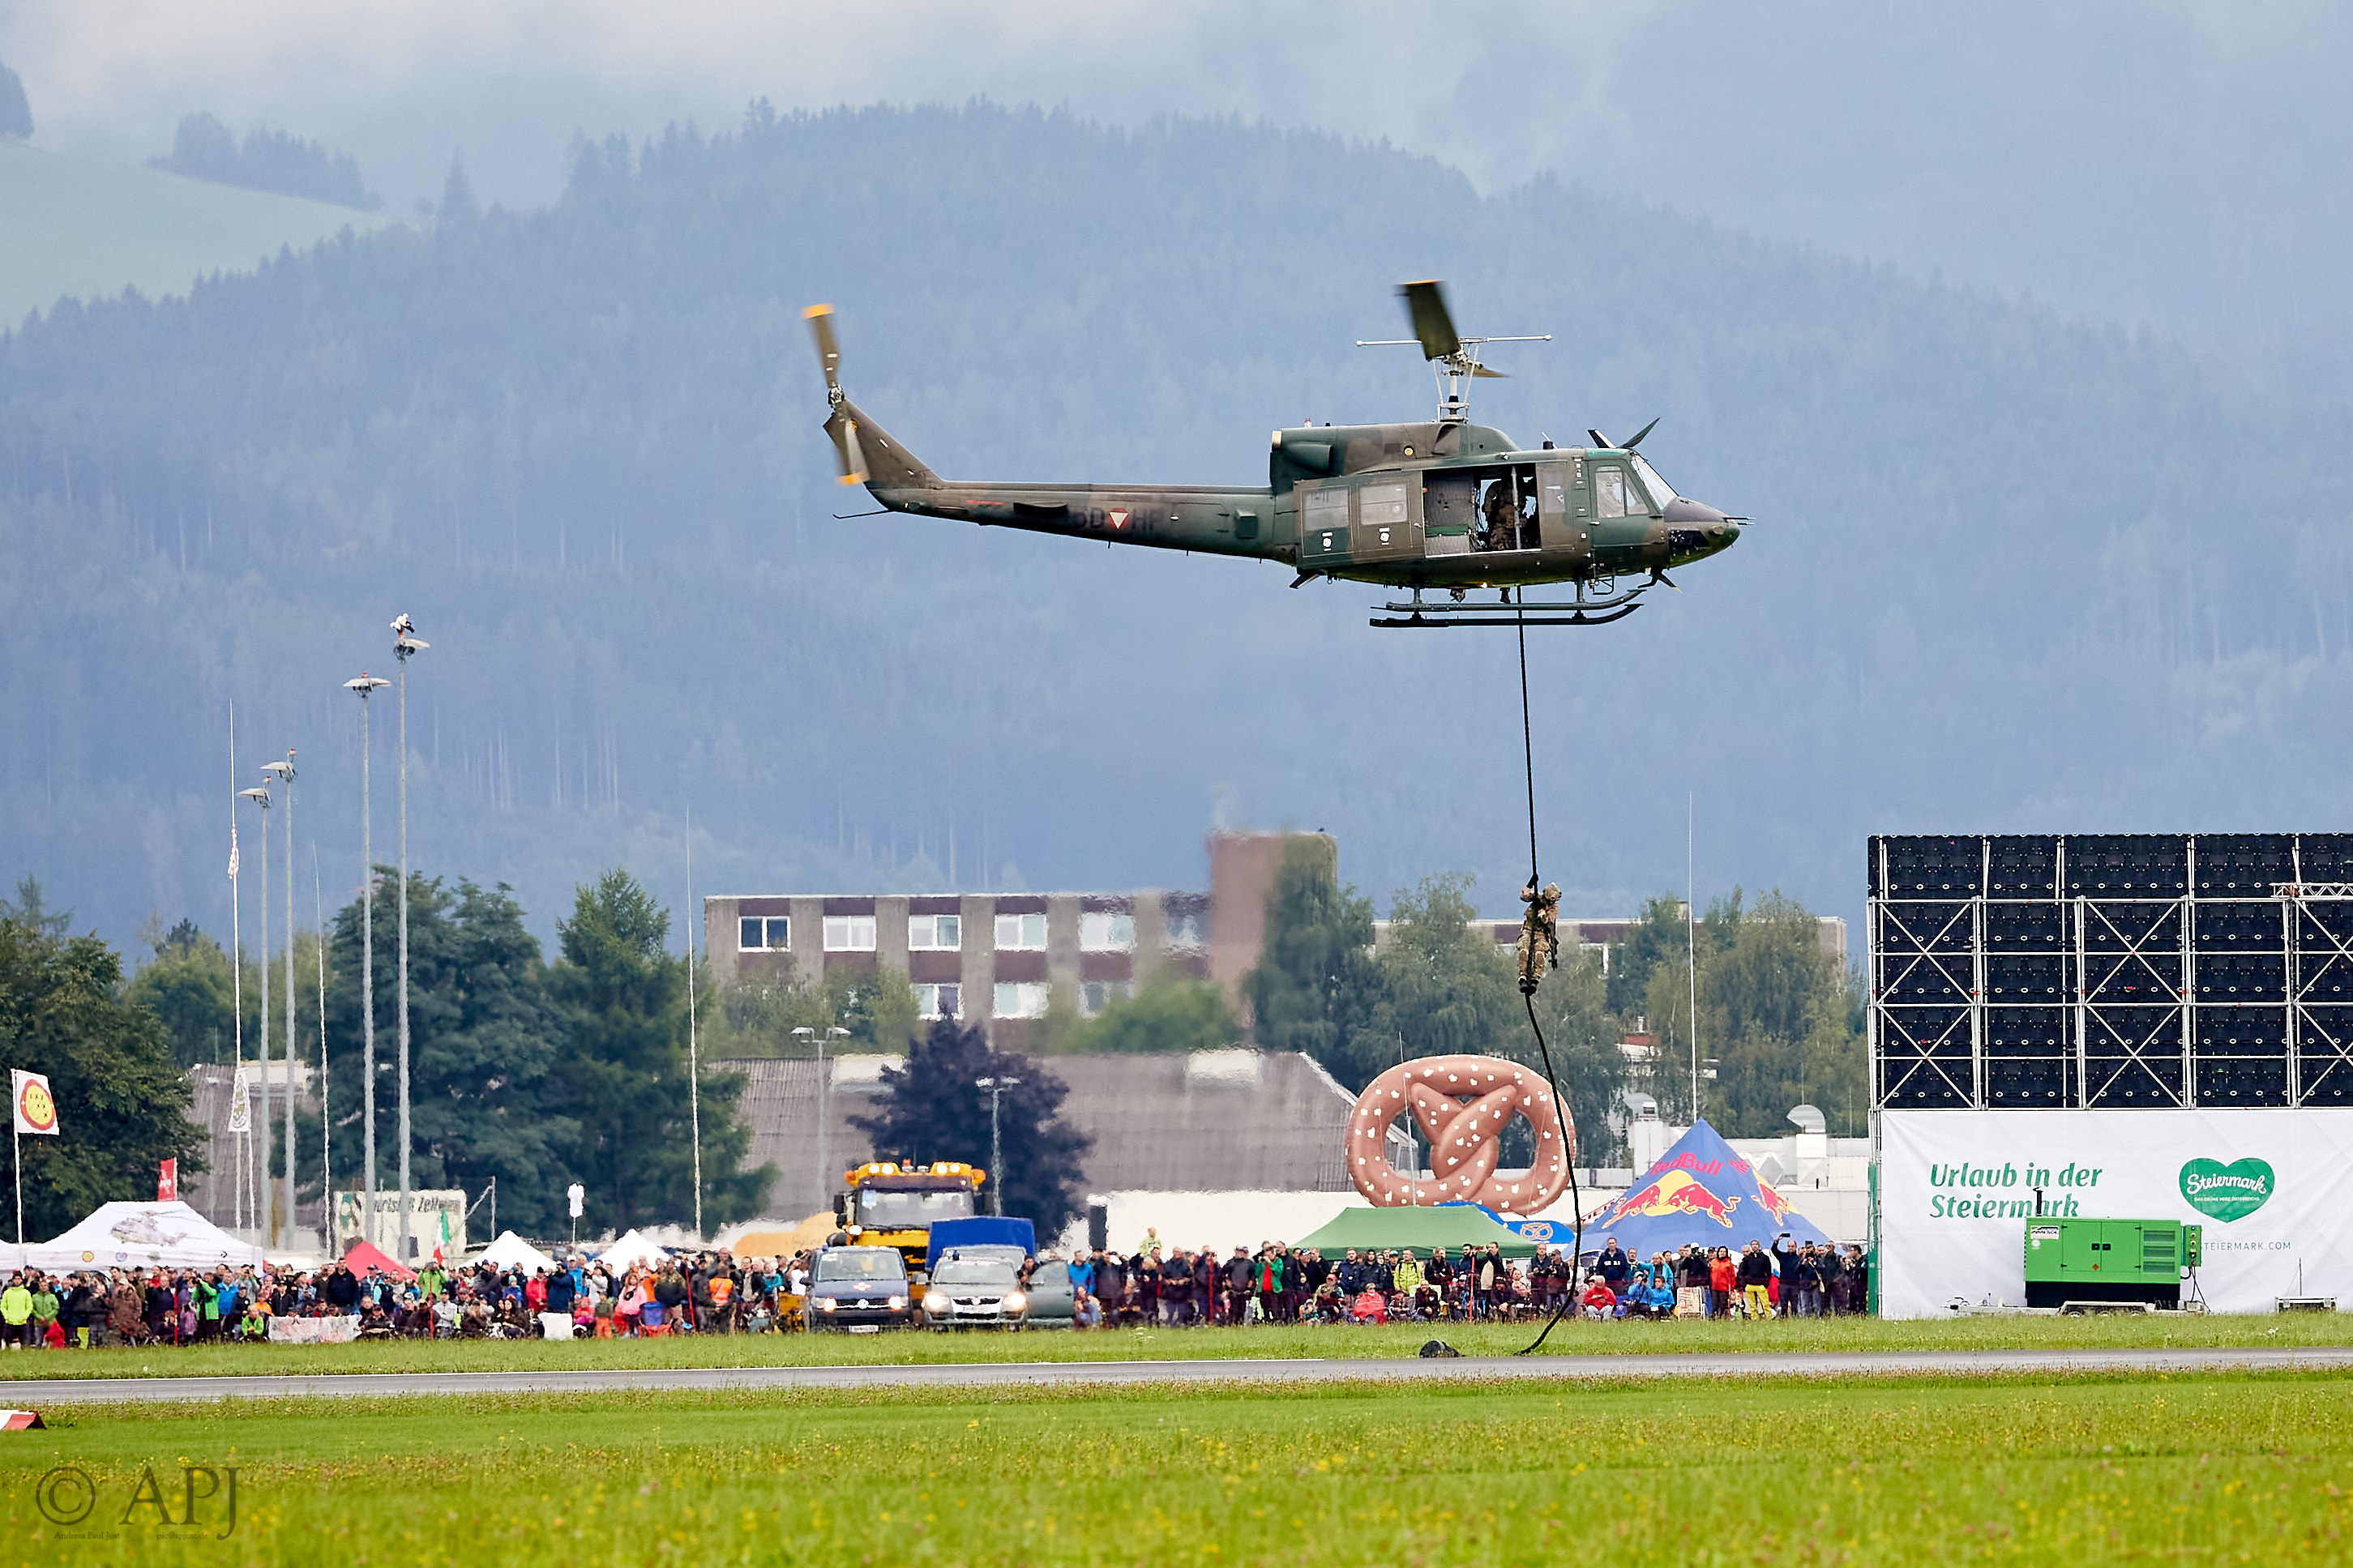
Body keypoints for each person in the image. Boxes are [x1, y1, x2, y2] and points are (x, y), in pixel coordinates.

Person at [1736, 1241, 1773, 1319]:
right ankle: (1754, 1319)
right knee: (1752, 1305)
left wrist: (1766, 1282)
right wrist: (1744, 1284)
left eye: (1756, 1244)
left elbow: (1768, 1271)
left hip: (1761, 1285)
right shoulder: (1747, 1259)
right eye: (1753, 1245)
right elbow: (1741, 1272)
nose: (1754, 1246)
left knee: (1765, 1304)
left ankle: (1769, 1317)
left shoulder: (1765, 1258)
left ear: (1759, 1246)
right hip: (1749, 1285)